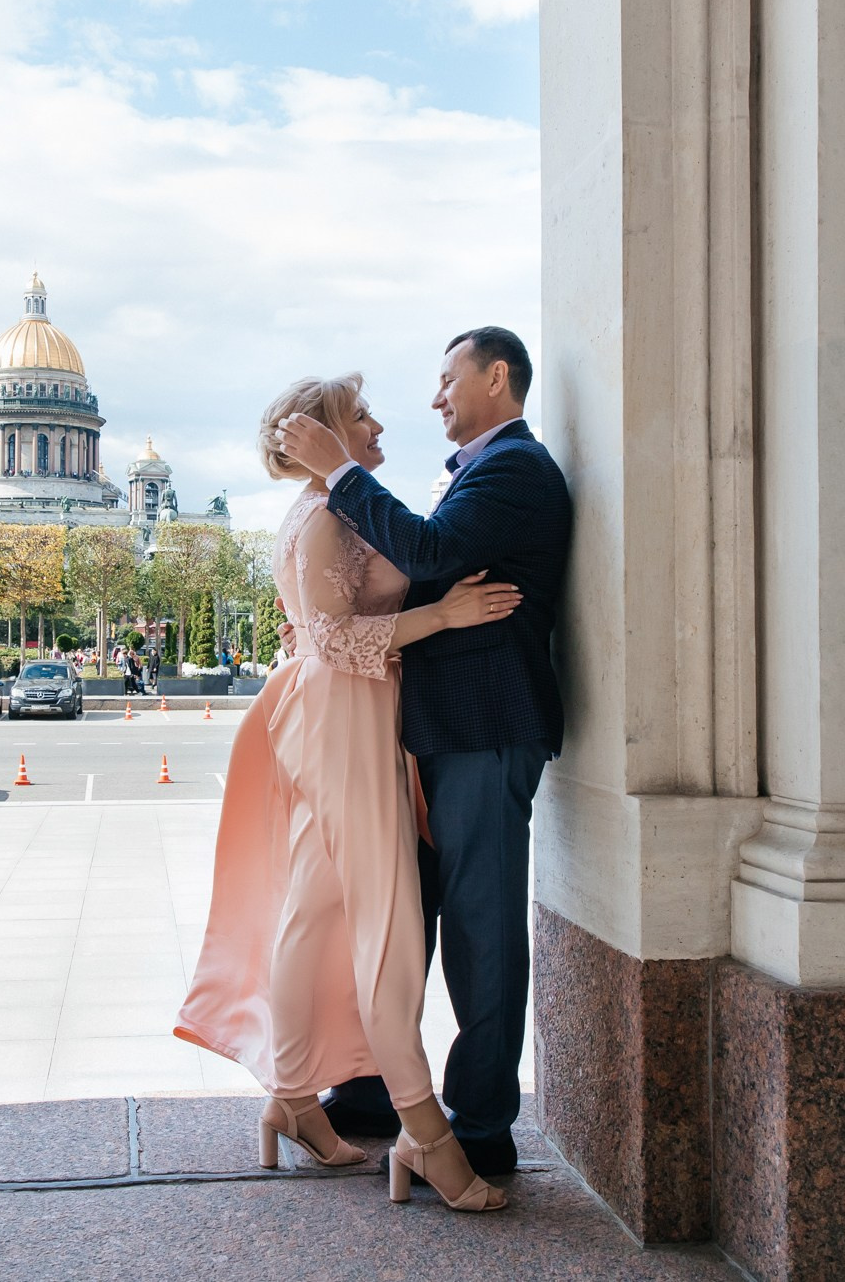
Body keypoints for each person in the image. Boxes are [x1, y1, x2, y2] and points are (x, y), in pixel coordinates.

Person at [176, 372, 522, 1213]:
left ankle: (293, 1098)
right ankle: (423, 1132)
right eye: (358, 413)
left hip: (338, 711)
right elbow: (331, 637)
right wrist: (444, 616)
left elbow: (319, 628)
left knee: (320, 907)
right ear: (324, 427)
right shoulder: (330, 510)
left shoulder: (314, 509)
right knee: (387, 921)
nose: (375, 424)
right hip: (346, 711)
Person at [273, 328, 571, 1180]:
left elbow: (429, 553)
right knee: (404, 916)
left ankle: (479, 1125)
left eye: (448, 379)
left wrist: (340, 473)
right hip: (434, 732)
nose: (434, 396)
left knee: (480, 929)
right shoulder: (479, 470)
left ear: (497, 376)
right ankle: (369, 1089)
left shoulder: (513, 466)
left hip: (483, 724)